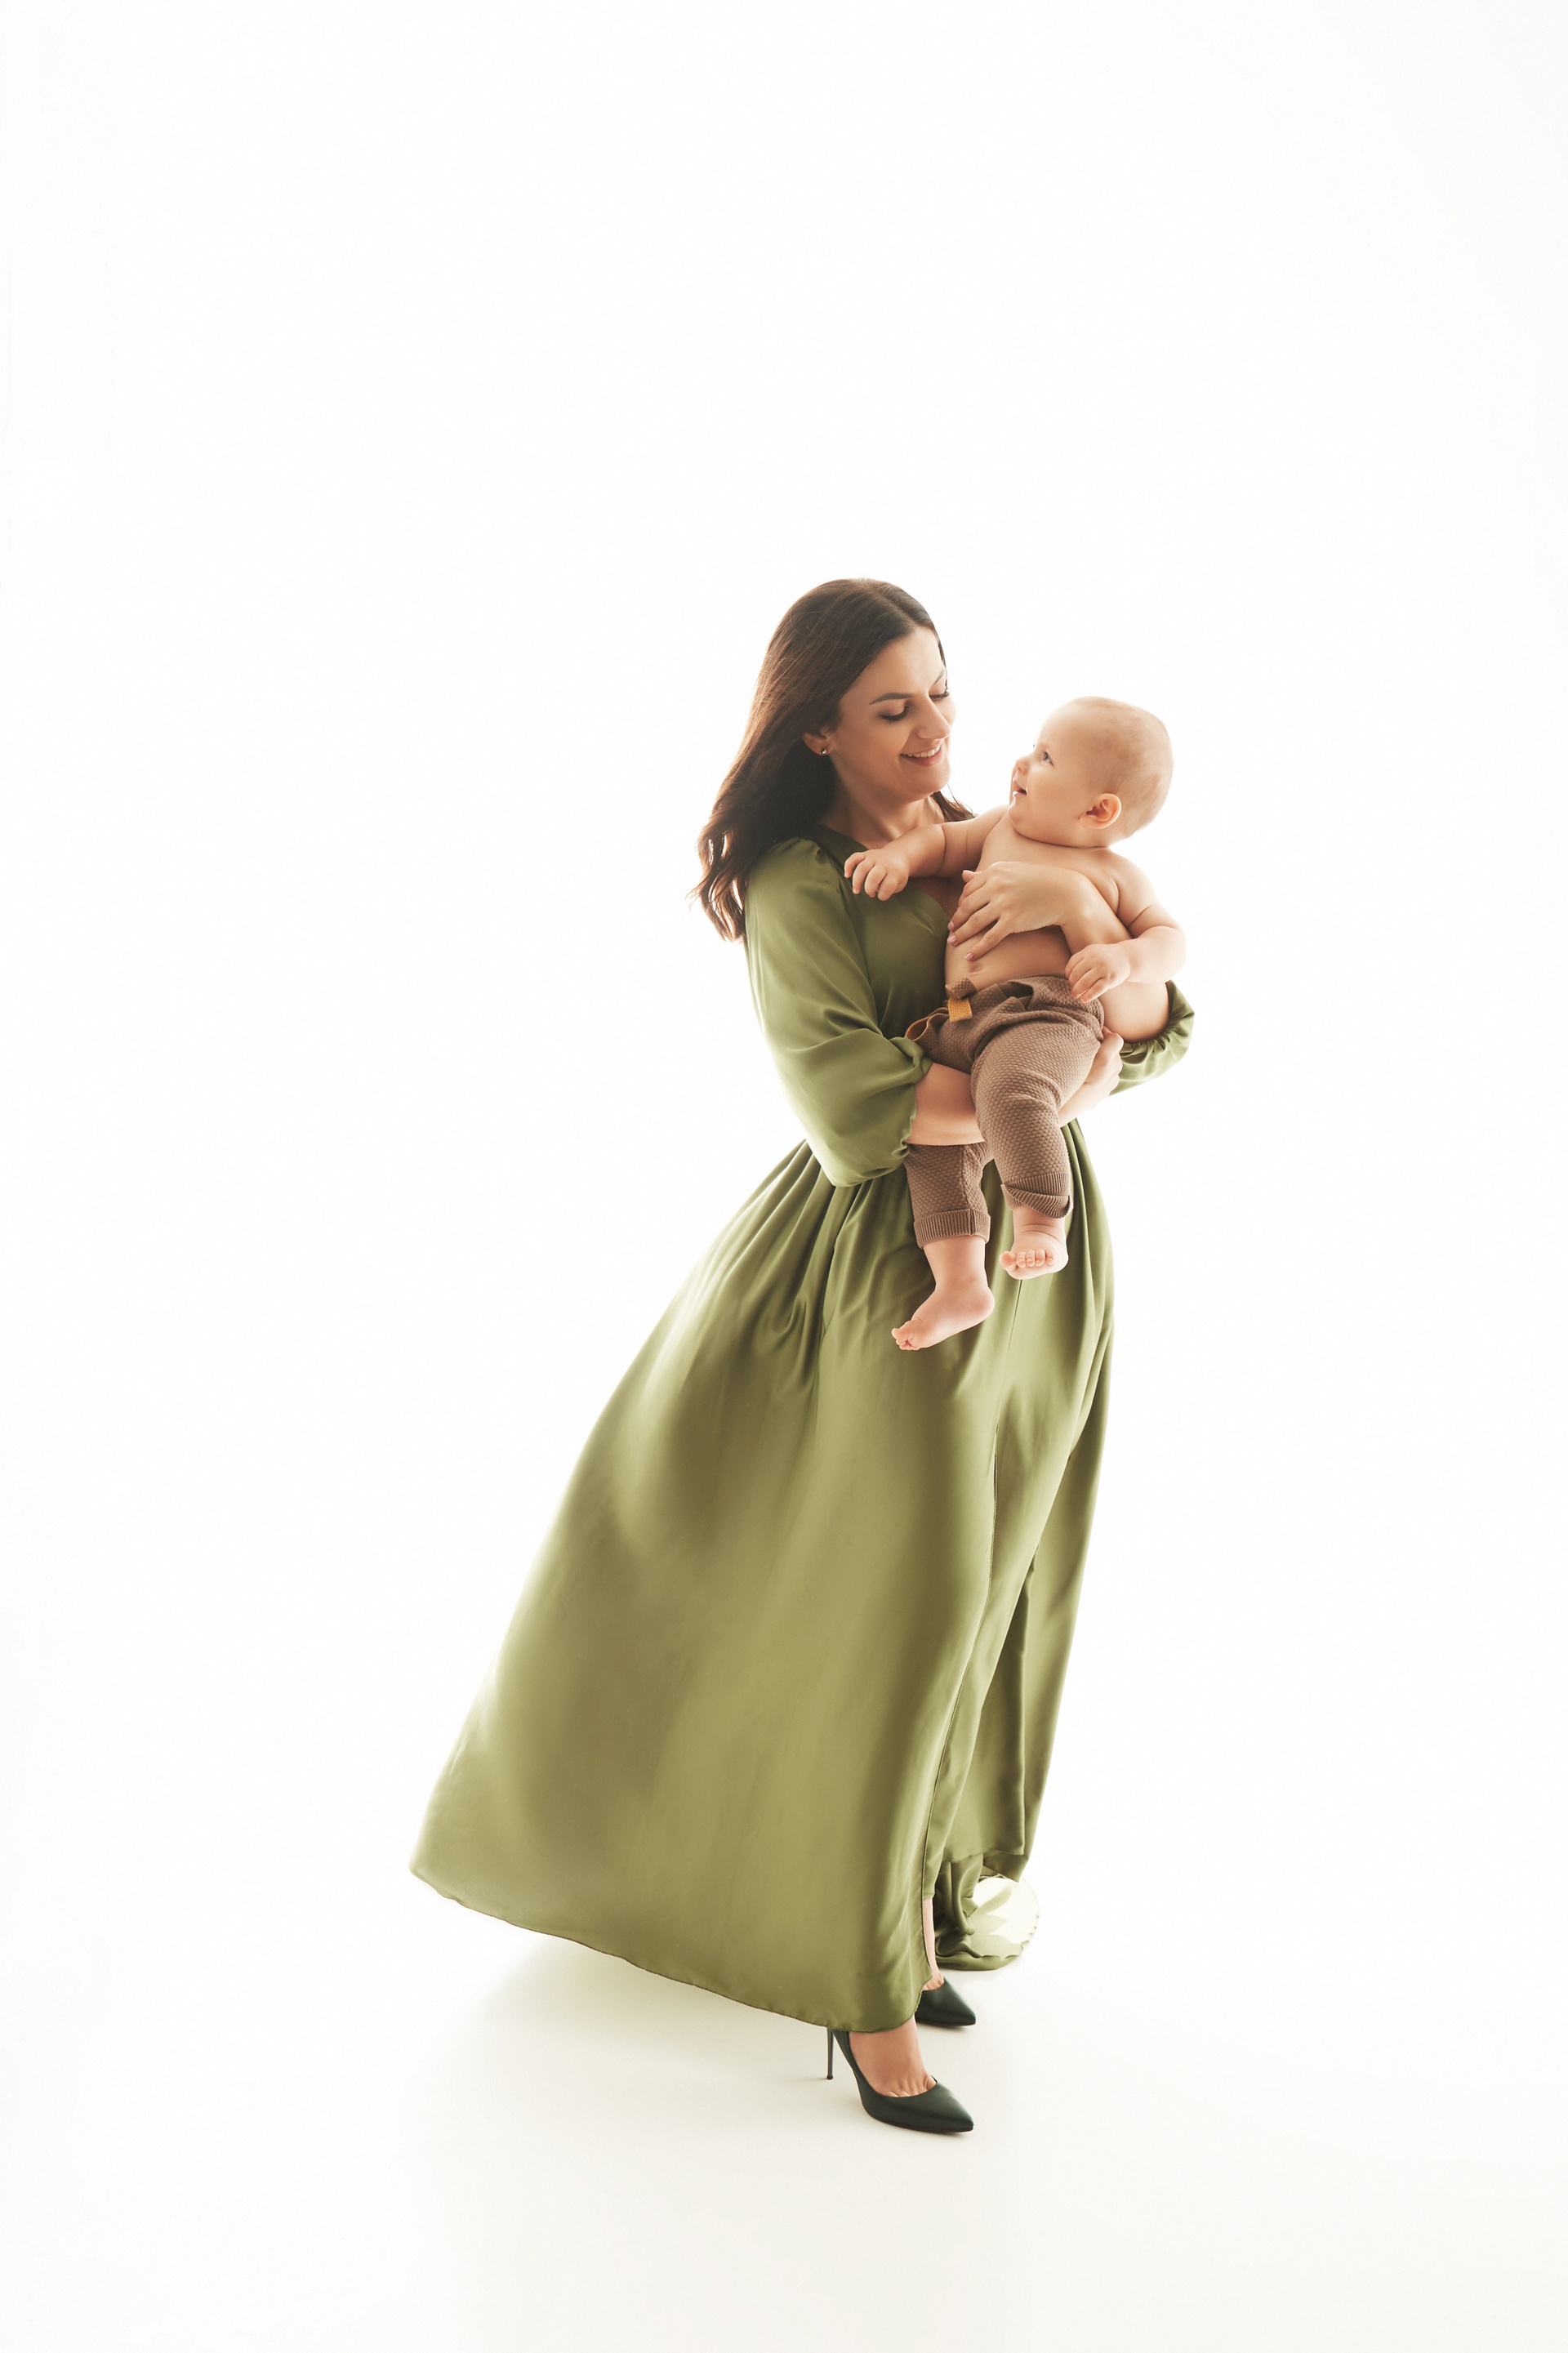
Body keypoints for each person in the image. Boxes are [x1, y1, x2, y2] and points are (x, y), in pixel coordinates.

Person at [410, 578, 1194, 2135]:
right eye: (894, 706)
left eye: (943, 691)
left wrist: (1109, 1010)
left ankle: (904, 1910)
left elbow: (1162, 1023)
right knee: (897, 1620)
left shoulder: (1000, 836)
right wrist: (1057, 1081)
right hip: (883, 1267)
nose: (936, 729)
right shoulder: (800, 881)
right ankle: (862, 1990)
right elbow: (853, 1101)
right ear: (818, 728)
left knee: (983, 1608)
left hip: (1043, 1277)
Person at [840, 696, 1186, 1348]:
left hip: (1047, 1014)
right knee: (933, 1150)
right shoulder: (998, 828)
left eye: (1046, 757)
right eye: (1033, 746)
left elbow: (1170, 945)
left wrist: (1121, 959)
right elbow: (942, 843)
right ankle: (960, 1280)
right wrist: (900, 859)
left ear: (1098, 810)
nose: (1022, 762)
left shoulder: (1113, 876)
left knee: (1012, 1092)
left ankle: (1042, 1222)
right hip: (961, 1017)